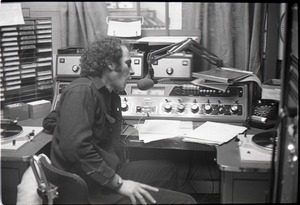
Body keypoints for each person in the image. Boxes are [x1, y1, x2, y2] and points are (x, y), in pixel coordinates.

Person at [45, 36, 197, 204]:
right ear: (110, 63)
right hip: (90, 189)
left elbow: (60, 124)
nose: (132, 71)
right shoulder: (81, 91)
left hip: (106, 171)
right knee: (186, 201)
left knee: (168, 171)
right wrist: (118, 183)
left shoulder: (109, 95)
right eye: (128, 63)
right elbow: (75, 149)